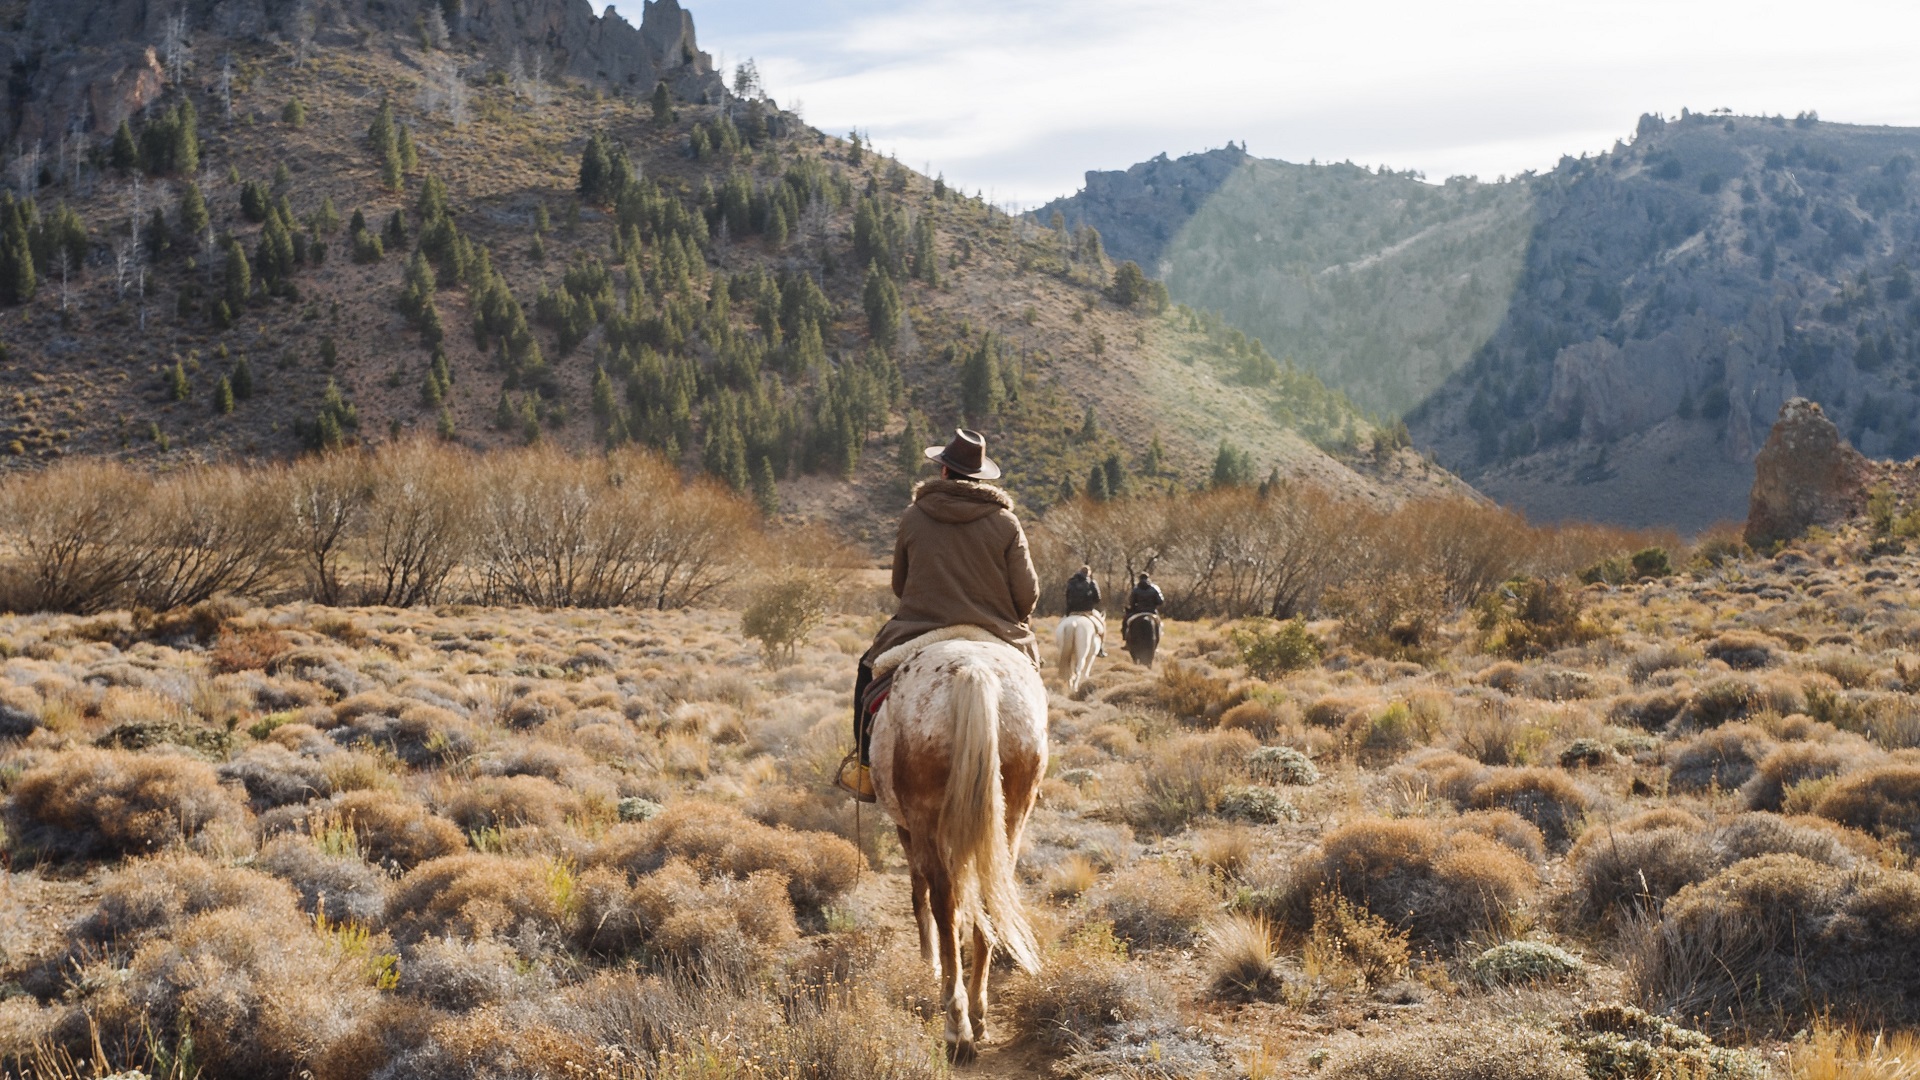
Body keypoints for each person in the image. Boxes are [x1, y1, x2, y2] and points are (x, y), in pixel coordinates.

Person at [835, 429, 1041, 802]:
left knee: (868, 671)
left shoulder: (914, 516)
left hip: (923, 629)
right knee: (1031, 685)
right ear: (979, 478)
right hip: (992, 631)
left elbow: (900, 584)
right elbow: (1027, 595)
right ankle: (1029, 773)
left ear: (944, 472)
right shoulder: (1007, 523)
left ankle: (864, 769)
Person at [1064, 564, 1107, 657]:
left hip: (1073, 611)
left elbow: (1067, 596)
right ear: (1089, 573)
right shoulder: (1092, 582)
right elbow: (1098, 599)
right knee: (1102, 626)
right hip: (1088, 611)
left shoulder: (1071, 582)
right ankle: (1101, 649)